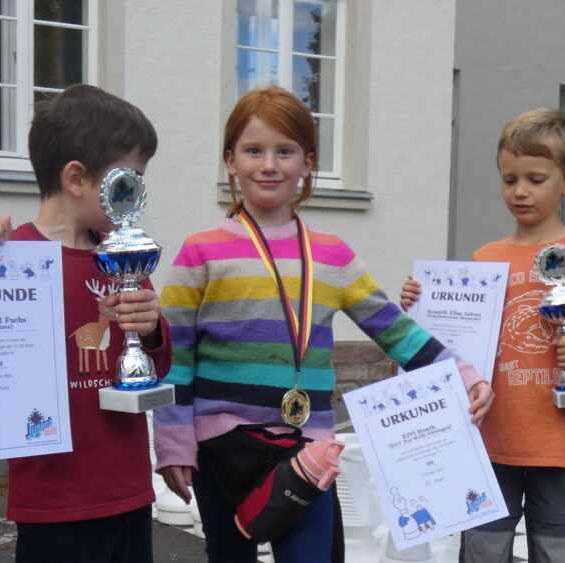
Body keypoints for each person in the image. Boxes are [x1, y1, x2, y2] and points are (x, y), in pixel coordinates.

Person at [152, 86, 493, 563]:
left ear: (307, 162)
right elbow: (176, 355)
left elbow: (394, 330)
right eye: (254, 150)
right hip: (220, 449)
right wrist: (173, 444)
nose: (269, 164)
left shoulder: (333, 255)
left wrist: (463, 374)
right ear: (230, 160)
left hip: (308, 451)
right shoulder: (200, 251)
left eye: (285, 151)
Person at [400, 108, 565, 562]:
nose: (520, 191)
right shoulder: (486, 256)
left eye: (535, 178)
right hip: (489, 436)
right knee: (483, 550)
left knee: (561, 550)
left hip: (561, 439)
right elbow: (457, 334)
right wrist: (420, 302)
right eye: (510, 180)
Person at [0, 84, 172, 563]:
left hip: (129, 491)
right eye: (129, 180)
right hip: (54, 503)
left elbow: (156, 364)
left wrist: (154, 328)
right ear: (77, 178)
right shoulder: (4, 260)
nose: (137, 196)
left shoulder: (126, 259)